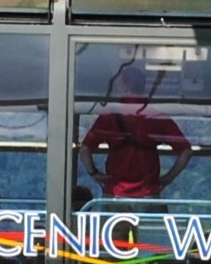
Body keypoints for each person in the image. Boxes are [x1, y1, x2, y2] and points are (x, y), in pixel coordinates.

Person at [79, 60, 190, 201]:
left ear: (124, 86)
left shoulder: (109, 117)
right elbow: (186, 151)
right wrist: (169, 177)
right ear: (143, 87)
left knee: (111, 224)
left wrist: (94, 173)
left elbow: (84, 149)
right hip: (148, 192)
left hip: (115, 193)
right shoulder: (156, 116)